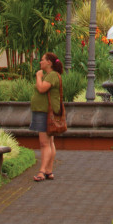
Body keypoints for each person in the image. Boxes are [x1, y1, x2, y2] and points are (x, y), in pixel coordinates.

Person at [30, 52, 63, 181]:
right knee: (50, 142)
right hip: (44, 111)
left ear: (49, 62)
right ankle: (49, 170)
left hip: (45, 112)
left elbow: (42, 89)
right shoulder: (51, 75)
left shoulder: (52, 75)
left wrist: (38, 76)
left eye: (42, 60)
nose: (40, 62)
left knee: (44, 143)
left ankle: (42, 171)